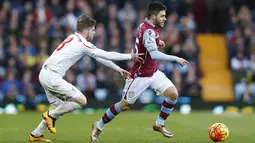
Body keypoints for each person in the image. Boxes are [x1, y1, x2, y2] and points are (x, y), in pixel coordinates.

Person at [29, 14, 143, 142]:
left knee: (59, 109)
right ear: (85, 31)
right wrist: (130, 56)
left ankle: (35, 135)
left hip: (45, 74)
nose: (94, 33)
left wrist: (117, 69)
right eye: (93, 30)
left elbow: (99, 57)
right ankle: (49, 115)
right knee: (82, 101)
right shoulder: (82, 43)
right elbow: (106, 54)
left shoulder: (72, 37)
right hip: (52, 77)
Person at [90, 2, 189, 142]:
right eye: (162, 16)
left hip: (153, 72)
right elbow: (154, 54)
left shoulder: (146, 26)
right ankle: (98, 125)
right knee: (125, 105)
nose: (165, 19)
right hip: (140, 75)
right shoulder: (149, 31)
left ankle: (159, 123)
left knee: (173, 94)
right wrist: (175, 58)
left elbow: (145, 39)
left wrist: (157, 41)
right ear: (154, 16)